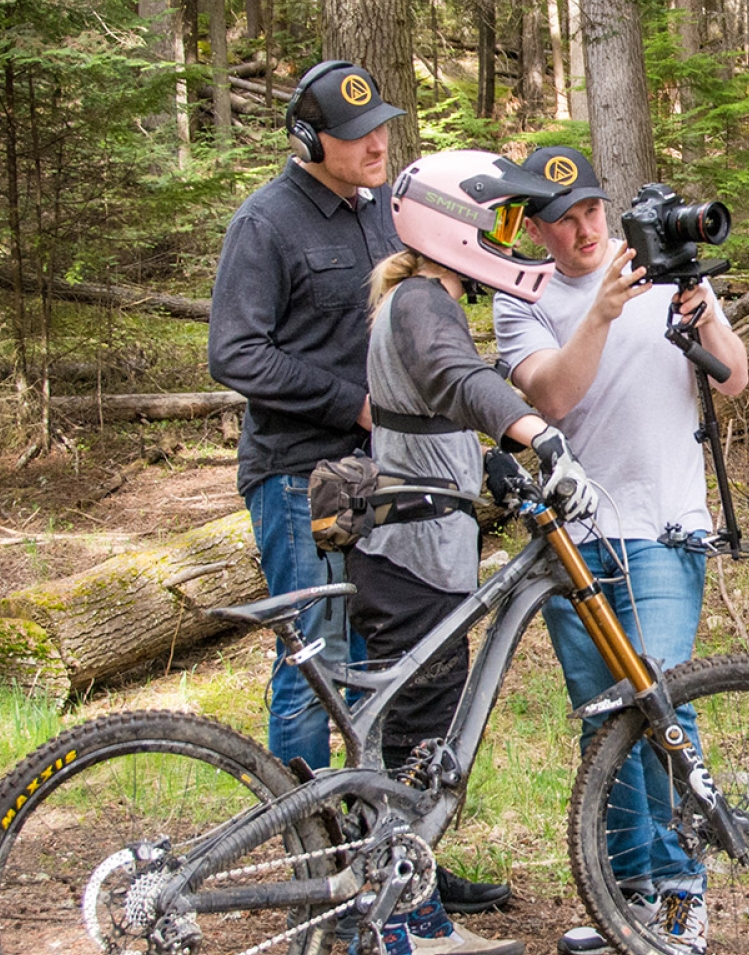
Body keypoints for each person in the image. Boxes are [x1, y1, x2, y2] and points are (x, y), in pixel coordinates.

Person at [207, 62, 508, 919]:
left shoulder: (390, 211)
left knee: (397, 672)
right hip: (304, 474)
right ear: (311, 142)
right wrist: (354, 401)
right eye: (358, 132)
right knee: (315, 664)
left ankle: (398, 857)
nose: (379, 142)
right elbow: (235, 353)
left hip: (394, 473)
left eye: (383, 125)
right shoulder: (265, 222)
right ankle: (321, 873)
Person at [491, 147, 749, 955]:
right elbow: (553, 396)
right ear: (535, 228)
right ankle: (625, 895)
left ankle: (681, 896)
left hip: (665, 524)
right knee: (603, 723)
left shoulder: (664, 271)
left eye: (593, 210)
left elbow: (735, 378)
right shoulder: (521, 299)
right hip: (574, 539)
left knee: (661, 706)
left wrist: (701, 309)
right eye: (565, 219)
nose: (585, 229)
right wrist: (600, 310)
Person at [350, 149, 582, 955]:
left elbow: (425, 410)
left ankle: (394, 906)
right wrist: (535, 432)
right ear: (453, 226)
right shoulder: (420, 301)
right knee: (421, 735)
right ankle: (405, 926)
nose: (511, 237)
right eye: (504, 221)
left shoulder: (422, 297)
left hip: (421, 543)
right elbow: (457, 381)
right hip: (411, 551)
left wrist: (497, 467)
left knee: (420, 727)